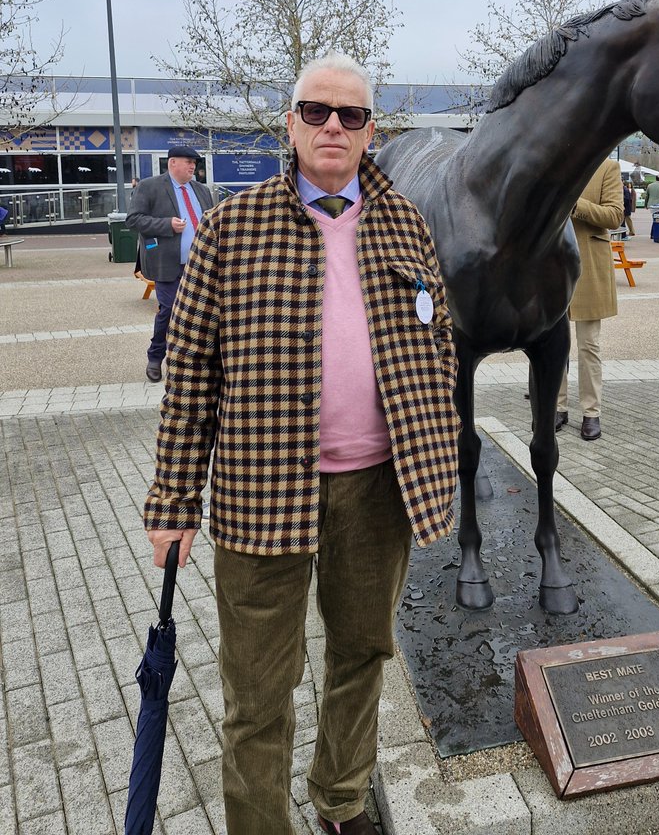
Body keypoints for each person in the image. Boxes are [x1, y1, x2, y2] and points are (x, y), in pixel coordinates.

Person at [143, 53, 459, 835]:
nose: (332, 127)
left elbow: (439, 342)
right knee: (257, 690)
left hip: (378, 491)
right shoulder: (234, 224)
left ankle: (342, 800)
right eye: (317, 111)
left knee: (361, 657)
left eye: (350, 116)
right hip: (262, 491)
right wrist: (173, 501)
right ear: (290, 122)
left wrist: (437, 457)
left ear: (369, 132)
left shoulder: (405, 222)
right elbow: (190, 373)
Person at [126, 147, 213, 381]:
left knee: (203, 315)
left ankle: (194, 362)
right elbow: (133, 219)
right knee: (171, 311)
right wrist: (167, 225)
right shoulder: (150, 186)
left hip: (201, 266)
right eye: (188, 161)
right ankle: (156, 357)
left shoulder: (202, 190)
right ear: (172, 163)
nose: (193, 166)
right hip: (167, 264)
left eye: (195, 162)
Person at [557, 158, 624, 441]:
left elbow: (614, 215)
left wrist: (575, 205)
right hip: (553, 265)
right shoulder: (554, 163)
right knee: (553, 345)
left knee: (589, 345)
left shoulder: (607, 167)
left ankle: (591, 412)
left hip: (588, 263)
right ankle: (555, 406)